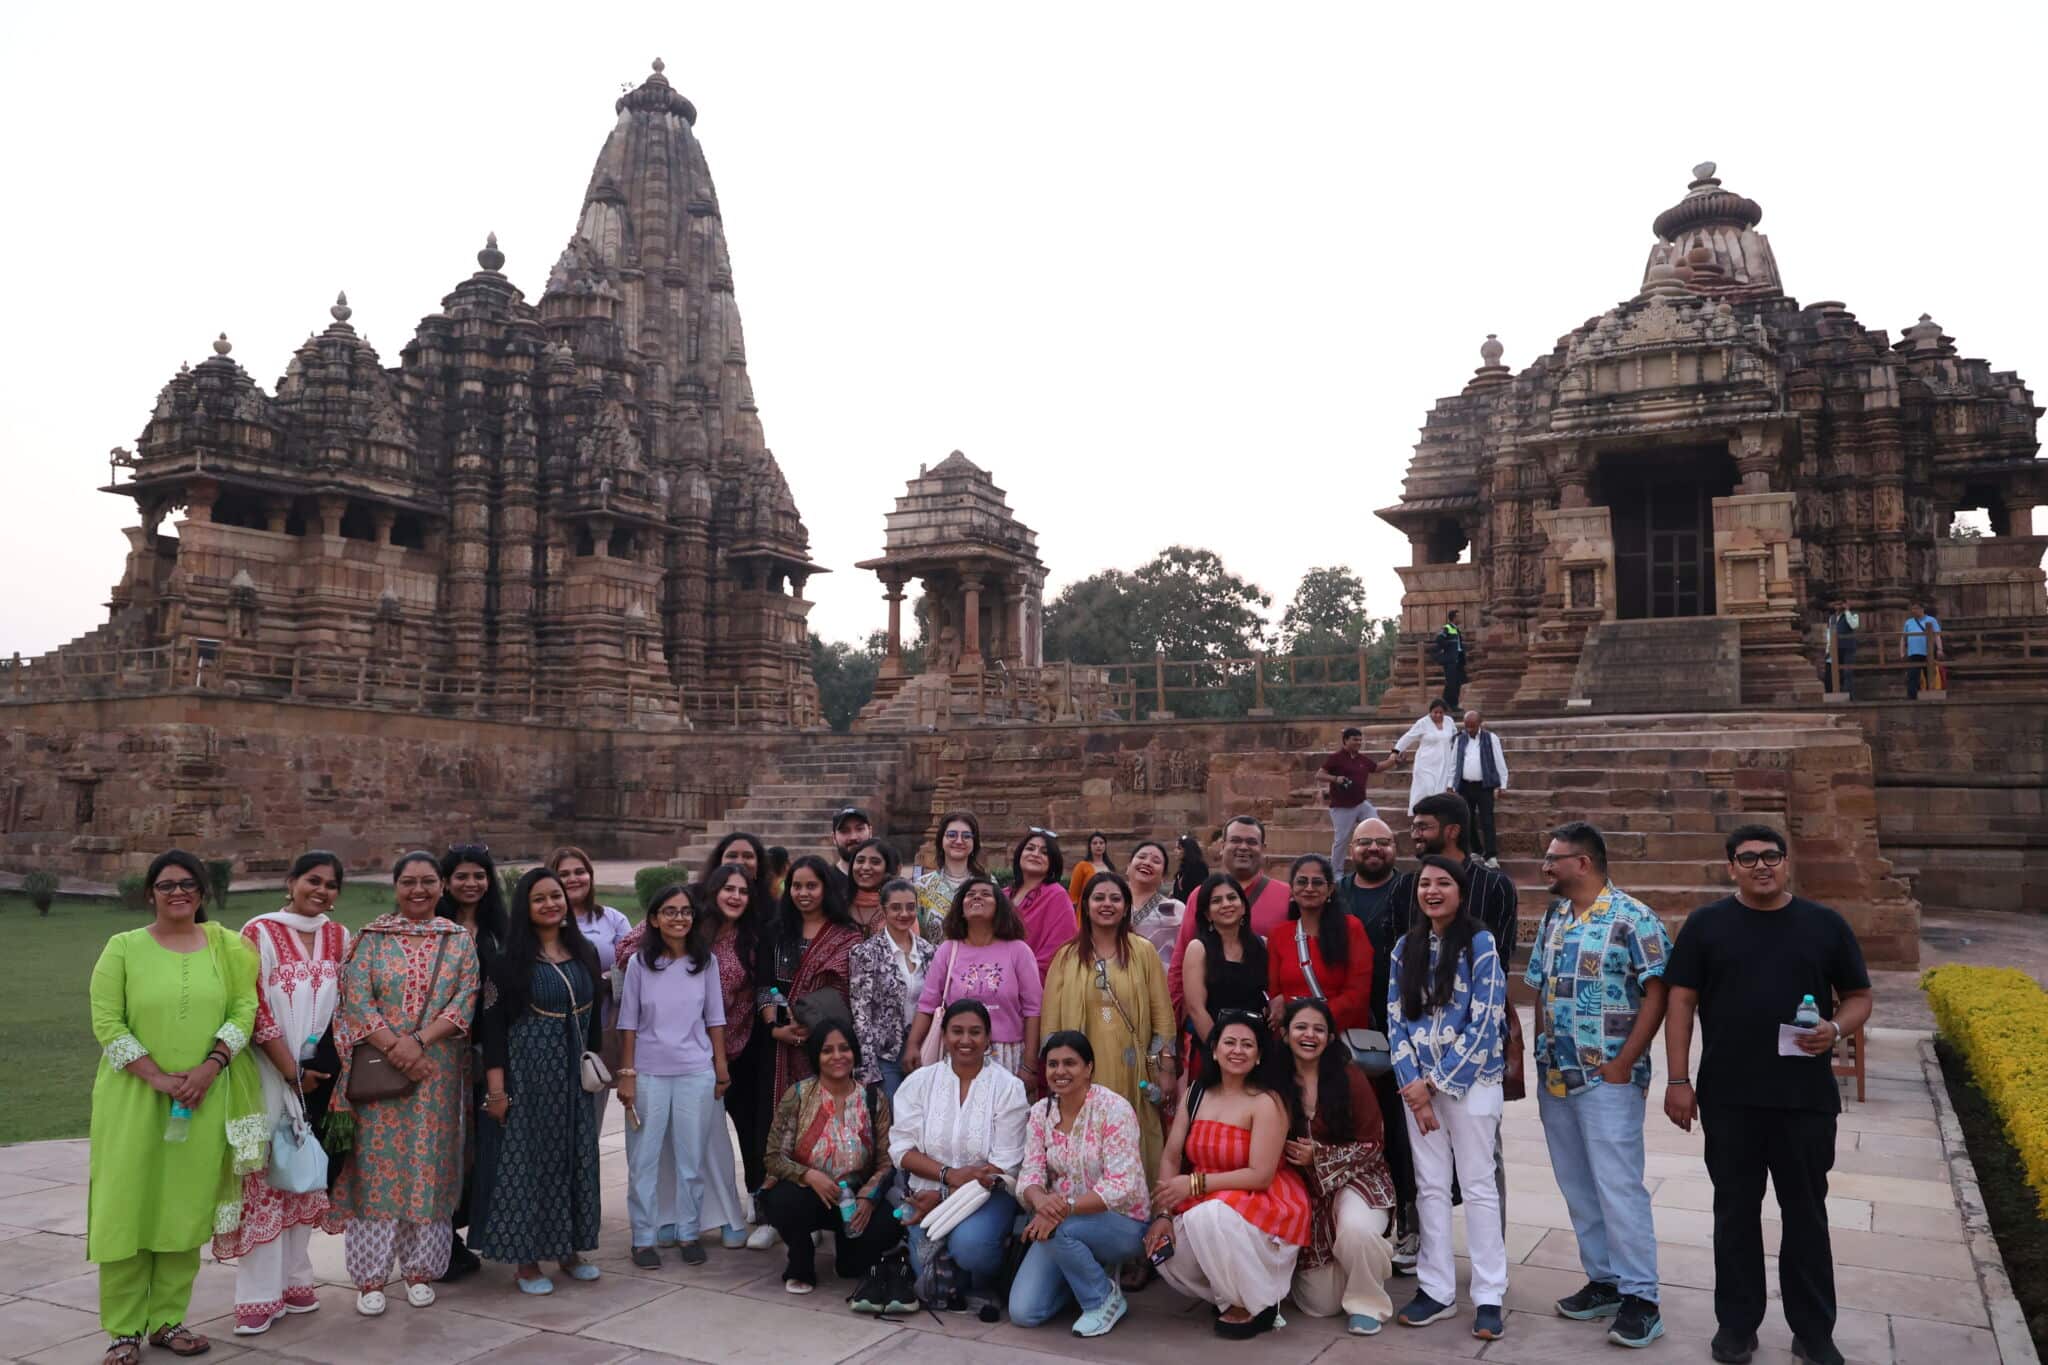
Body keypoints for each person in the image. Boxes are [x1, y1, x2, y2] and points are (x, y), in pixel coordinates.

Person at [1663, 825, 1873, 1365]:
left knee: (1806, 1215)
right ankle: (1737, 1325)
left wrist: (1835, 1028)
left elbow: (1859, 995)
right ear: (1731, 867)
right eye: (1748, 857)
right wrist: (1678, 1080)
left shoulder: (1824, 924)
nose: (1762, 865)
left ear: (1786, 862)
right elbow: (1681, 1002)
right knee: (1735, 1214)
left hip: (1805, 1100)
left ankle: (1813, 1331)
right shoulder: (1706, 925)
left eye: (1771, 856)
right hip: (1730, 1098)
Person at [89, 850, 264, 1365]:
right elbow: (107, 1023)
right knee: (126, 1209)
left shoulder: (227, 948)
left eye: (188, 883)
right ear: (151, 894)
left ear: (202, 891)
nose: (178, 892)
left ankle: (167, 1320)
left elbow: (244, 1009)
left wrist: (210, 1067)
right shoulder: (123, 948)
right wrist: (159, 1078)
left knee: (183, 1210)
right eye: (166, 885)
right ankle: (123, 1330)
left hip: (203, 1098)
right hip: (132, 1099)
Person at [1526, 822, 1671, 1350]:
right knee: (1578, 1184)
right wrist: (1540, 1049)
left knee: (1618, 1185)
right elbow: (1540, 985)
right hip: (1557, 1075)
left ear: (1582, 863)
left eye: (1554, 858)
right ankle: (1605, 1281)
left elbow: (1658, 991)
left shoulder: (1634, 918)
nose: (1546, 866)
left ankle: (1642, 1299)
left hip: (1608, 1077)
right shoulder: (1555, 916)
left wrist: (1624, 1061)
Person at [328, 852, 482, 1316]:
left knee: (428, 1166)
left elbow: (465, 1000)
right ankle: (370, 1278)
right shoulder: (372, 939)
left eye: (428, 881)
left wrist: (418, 1042)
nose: (419, 890)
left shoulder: (457, 940)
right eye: (409, 882)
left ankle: (420, 1271)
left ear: (441, 886)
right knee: (376, 1171)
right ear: (395, 886)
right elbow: (356, 999)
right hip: (380, 1076)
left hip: (436, 1075)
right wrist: (395, 1047)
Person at [217, 851, 352, 1336]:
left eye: (331, 885)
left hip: (319, 1076)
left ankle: (296, 1280)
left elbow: (346, 1005)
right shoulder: (259, 932)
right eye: (313, 881)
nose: (321, 891)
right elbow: (253, 1006)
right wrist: (289, 1070)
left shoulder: (341, 937)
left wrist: (323, 1067)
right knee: (265, 1178)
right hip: (268, 1073)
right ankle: (257, 1295)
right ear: (291, 882)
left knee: (303, 1172)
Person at [1387, 855, 1509, 1340]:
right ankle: (1435, 1289)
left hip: (1472, 1083)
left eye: (1442, 883)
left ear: (1460, 891)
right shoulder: (1405, 948)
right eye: (1424, 884)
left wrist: (1434, 1084)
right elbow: (1395, 1019)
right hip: (1418, 1088)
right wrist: (1415, 1089)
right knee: (1430, 1186)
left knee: (1478, 1185)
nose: (1432, 891)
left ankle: (1489, 1294)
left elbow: (1486, 1019)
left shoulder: (1480, 943)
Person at [471, 867, 604, 1295]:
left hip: (573, 1082)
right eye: (539, 898)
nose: (550, 904)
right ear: (525, 907)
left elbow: (595, 1021)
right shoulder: (506, 962)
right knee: (527, 1167)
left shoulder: (584, 952)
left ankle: (569, 1250)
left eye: (556, 896)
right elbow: (492, 1031)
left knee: (574, 1159)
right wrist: (497, 1091)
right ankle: (526, 1262)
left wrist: (595, 1068)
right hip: (527, 1080)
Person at [1144, 1013, 1309, 1338]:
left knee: (1210, 1215)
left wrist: (1194, 1184)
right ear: (1215, 1050)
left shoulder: (1267, 1101)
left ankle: (1256, 1304)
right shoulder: (1196, 1093)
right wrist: (1163, 1214)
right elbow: (1171, 1156)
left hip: (1262, 1202)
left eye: (1247, 1045)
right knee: (1165, 1253)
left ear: (1259, 1055)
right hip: (1206, 1202)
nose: (1237, 1050)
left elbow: (1260, 1176)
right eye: (1229, 1042)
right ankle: (1228, 1293)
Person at [616, 883, 744, 1267]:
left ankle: (689, 1232)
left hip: (695, 1072)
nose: (679, 918)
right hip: (649, 1073)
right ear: (654, 919)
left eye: (686, 911)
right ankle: (643, 1238)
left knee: (692, 1160)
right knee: (644, 1160)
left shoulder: (705, 962)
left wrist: (720, 1066)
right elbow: (628, 1023)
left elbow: (715, 1018)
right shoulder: (640, 964)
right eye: (670, 911)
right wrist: (627, 1073)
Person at [1008, 1032, 1151, 1335]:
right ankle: (1088, 1276)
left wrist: (1063, 1208)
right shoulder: (1040, 1112)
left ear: (1089, 1068)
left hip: (1122, 1222)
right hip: (1059, 1223)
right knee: (1024, 1312)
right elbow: (1030, 1173)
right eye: (1053, 1064)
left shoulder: (1113, 1109)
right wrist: (1041, 1202)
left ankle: (1103, 1300)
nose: (1060, 1071)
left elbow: (1121, 1185)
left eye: (1070, 1063)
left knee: (1063, 1230)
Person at [891, 1000, 1031, 1309]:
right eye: (956, 1031)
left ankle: (986, 1272)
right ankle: (958, 1278)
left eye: (975, 1032)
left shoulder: (1008, 1088)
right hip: (924, 1194)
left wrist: (945, 1195)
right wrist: (947, 1176)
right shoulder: (919, 1083)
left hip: (986, 1195)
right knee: (928, 1275)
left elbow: (1005, 1163)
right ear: (943, 1035)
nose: (965, 1040)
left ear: (988, 1038)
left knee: (971, 1248)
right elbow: (902, 1150)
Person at [1041, 871, 1179, 1177]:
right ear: (1085, 905)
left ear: (1126, 906)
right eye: (1099, 898)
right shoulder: (1066, 956)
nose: (1107, 904)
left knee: (1132, 1136)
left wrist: (1167, 1069)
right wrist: (1056, 1069)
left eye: (1115, 898)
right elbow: (1050, 1020)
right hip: (1081, 1072)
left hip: (1132, 1069)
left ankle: (1135, 1198)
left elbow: (1162, 1014)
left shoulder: (1143, 952)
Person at [1276, 998, 1397, 1336]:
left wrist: (1320, 1156)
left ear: (1330, 1038)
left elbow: (1374, 1144)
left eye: (1318, 1029)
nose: (1309, 1035)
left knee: (1357, 1231)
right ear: (1285, 1034)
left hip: (1358, 1177)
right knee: (1321, 1305)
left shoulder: (1349, 1076)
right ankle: (1362, 1261)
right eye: (1301, 1027)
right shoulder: (1275, 1080)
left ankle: (1367, 1302)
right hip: (1307, 1192)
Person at [759, 1021, 902, 1294]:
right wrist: (808, 1175)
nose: (837, 1056)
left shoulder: (873, 1099)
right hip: (808, 1194)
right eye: (827, 1051)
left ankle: (848, 1253)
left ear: (854, 1053)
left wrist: (868, 1198)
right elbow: (774, 1157)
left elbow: (887, 1161)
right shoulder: (798, 1095)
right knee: (783, 1200)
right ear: (816, 1056)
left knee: (888, 1225)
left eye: (844, 1049)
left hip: (853, 1197)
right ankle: (800, 1263)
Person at [1335, 817, 1417, 1270]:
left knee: (1400, 1129)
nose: (1373, 849)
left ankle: (1409, 1220)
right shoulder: (1337, 893)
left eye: (1382, 843)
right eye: (1364, 842)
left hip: (1398, 1028)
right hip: (1343, 1028)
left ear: (1394, 848)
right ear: (1351, 849)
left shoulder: (1409, 892)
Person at [433, 842, 507, 1282]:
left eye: (479, 875)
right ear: (446, 881)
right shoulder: (435, 928)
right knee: (445, 1148)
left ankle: (473, 1229)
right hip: (441, 1051)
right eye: (461, 876)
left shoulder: (499, 929)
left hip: (490, 1052)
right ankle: (440, 1241)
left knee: (481, 1148)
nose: (471, 883)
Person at [905, 875, 1043, 1079]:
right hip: (958, 1053)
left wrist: (1030, 1065)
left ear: (999, 907)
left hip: (1006, 1056)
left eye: (986, 894)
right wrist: (913, 1045)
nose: (977, 897)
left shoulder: (1019, 951)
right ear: (961, 908)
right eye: (970, 895)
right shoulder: (947, 950)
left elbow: (1033, 1010)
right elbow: (927, 1004)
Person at [759, 854, 865, 1104]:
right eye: (796, 886)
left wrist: (818, 1023)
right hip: (781, 1043)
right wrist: (776, 1029)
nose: (803, 893)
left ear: (825, 888)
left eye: (811, 886)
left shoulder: (846, 934)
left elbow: (852, 990)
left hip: (832, 1041)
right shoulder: (775, 931)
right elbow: (765, 985)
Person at [1167, 816, 1290, 1014]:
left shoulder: (1286, 896)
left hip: (1266, 1017)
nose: (1243, 847)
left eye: (1251, 842)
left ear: (1263, 848)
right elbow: (1180, 956)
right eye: (1235, 840)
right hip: (1207, 1015)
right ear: (1223, 846)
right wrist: (1176, 1012)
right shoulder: (1199, 895)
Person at [1265, 853, 1374, 1033]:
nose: (1309, 888)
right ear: (1291, 889)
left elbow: (1357, 992)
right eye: (1302, 882)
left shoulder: (1351, 928)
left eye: (1317, 882)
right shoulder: (1278, 935)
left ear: (1330, 889)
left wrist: (1314, 1022)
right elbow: (1275, 992)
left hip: (1338, 1033)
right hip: (1294, 1036)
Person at [849, 876, 936, 1100]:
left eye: (910, 907)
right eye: (896, 907)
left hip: (924, 1048)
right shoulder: (865, 953)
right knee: (892, 1114)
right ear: (883, 910)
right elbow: (861, 1013)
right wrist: (868, 1066)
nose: (904, 914)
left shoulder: (929, 951)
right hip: (884, 1055)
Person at [1178, 874, 1270, 1065]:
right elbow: (1196, 1009)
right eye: (1216, 901)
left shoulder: (1263, 945)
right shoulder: (1198, 949)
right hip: (1212, 1051)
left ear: (1243, 906)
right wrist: (1221, 1051)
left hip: (1255, 1051)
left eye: (1232, 897)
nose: (1226, 904)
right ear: (1207, 914)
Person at [1010, 827, 1079, 975]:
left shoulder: (1057, 896)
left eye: (1044, 852)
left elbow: (1059, 948)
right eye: (1030, 848)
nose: (1035, 854)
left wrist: (1025, 975)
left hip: (1035, 980)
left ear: (1052, 861)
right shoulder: (1003, 895)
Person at [1448, 711, 1509, 867]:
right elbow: (1454, 763)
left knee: (1487, 819)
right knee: (1467, 819)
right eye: (1467, 726)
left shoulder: (1491, 738)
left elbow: (1499, 761)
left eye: (1472, 726)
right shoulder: (1459, 739)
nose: (1469, 729)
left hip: (1484, 786)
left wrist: (1503, 784)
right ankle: (1476, 850)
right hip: (1464, 785)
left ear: (1480, 724)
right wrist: (1450, 784)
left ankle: (1491, 855)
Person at [1318, 727, 1382, 873]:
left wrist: (1393, 760)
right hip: (1342, 807)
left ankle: (1376, 864)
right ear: (1345, 740)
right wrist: (1336, 779)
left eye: (1360, 740)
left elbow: (1377, 768)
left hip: (1361, 804)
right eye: (1355, 739)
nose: (1358, 742)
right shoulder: (1336, 758)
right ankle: (1336, 872)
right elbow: (1319, 775)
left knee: (1377, 828)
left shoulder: (1362, 759)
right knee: (1341, 840)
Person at [916, 810, 984, 943]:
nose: (959, 841)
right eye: (952, 835)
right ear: (941, 840)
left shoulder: (987, 884)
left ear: (974, 842)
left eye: (966, 836)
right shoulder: (922, 886)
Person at [1391, 698, 1458, 815]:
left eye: (1441, 712)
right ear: (1430, 712)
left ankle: (1436, 815)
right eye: (1435, 712)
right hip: (1425, 764)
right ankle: (1420, 814)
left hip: (1444, 763)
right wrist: (1396, 751)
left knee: (1440, 790)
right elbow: (1408, 737)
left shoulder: (1449, 721)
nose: (1438, 715)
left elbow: (1455, 737)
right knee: (1427, 788)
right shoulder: (1422, 723)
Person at [1124, 839, 1183, 970]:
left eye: (1156, 861)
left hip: (1160, 979)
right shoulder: (1110, 905)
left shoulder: (1174, 909)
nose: (1147, 863)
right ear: (1128, 867)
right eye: (1141, 857)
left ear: (1163, 877)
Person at [845, 837, 900, 934]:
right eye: (860, 861)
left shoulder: (901, 907)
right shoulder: (839, 905)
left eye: (875, 862)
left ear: (887, 868)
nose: (865, 867)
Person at [828, 806, 873, 899]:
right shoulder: (826, 881)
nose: (853, 837)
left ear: (870, 832)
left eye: (859, 829)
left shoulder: (886, 880)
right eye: (844, 831)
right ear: (834, 838)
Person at [1902, 599, 1944, 699]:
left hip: (1928, 652)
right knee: (1912, 675)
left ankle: (1931, 695)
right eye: (1912, 609)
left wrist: (1940, 649)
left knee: (1929, 674)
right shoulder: (1908, 622)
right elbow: (1903, 638)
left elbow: (1937, 635)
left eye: (1916, 608)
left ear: (1922, 609)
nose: (1914, 611)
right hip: (1913, 652)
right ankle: (1912, 697)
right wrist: (1902, 651)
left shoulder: (1931, 620)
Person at [1822, 595, 1859, 696]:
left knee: (1847, 671)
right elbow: (1830, 634)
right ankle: (1836, 694)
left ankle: (1849, 694)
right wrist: (1828, 650)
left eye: (1840, 604)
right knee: (1833, 671)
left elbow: (1854, 625)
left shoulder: (1853, 614)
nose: (1838, 606)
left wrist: (1847, 611)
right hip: (1835, 648)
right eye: (1836, 604)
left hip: (1848, 647)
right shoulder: (1832, 618)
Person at [1434, 610, 1468, 710]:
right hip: (1450, 660)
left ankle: (1450, 703)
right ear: (1454, 618)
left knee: (1457, 683)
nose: (1460, 618)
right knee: (1451, 682)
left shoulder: (1456, 629)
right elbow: (1439, 639)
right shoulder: (1447, 627)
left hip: (1458, 660)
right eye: (1458, 616)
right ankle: (1449, 704)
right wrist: (1449, 649)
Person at [1066, 831, 1111, 905]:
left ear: (1105, 845)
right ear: (1090, 846)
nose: (1098, 846)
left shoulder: (1109, 867)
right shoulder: (1082, 866)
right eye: (1095, 843)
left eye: (1101, 843)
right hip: (1087, 907)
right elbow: (1073, 894)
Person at [1170, 832, 1210, 905]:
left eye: (1179, 848)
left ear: (1188, 850)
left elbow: (1200, 892)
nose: (1175, 851)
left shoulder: (1199, 867)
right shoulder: (1183, 869)